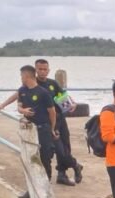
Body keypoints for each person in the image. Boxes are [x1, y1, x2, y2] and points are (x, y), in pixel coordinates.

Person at [34, 59, 82, 187]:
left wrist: (72, 103)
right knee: (56, 150)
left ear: (48, 70)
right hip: (47, 123)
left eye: (45, 69)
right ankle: (75, 165)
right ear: (36, 70)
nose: (43, 72)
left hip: (60, 119)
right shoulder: (33, 85)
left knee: (65, 147)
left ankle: (62, 174)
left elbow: (63, 95)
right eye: (40, 69)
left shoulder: (52, 83)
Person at [15, 65, 56, 189]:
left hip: (43, 128)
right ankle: (32, 187)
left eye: (22, 76)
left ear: (27, 76)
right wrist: (23, 111)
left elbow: (52, 112)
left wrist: (52, 128)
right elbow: (19, 107)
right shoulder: (22, 90)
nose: (21, 78)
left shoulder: (43, 92)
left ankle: (46, 185)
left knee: (44, 158)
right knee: (30, 157)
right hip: (29, 129)